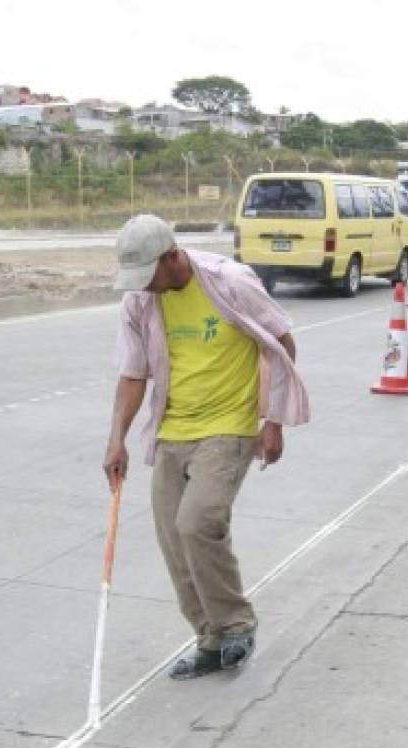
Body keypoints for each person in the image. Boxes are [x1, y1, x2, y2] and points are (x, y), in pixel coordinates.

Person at [103, 214, 309, 680]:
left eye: (149, 276)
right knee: (173, 539)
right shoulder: (140, 301)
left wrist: (272, 420)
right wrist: (116, 440)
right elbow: (133, 373)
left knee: (198, 523)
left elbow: (281, 343)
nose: (144, 288)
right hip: (172, 427)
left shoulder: (229, 282)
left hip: (229, 424)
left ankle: (236, 624)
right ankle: (210, 638)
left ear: (172, 257)